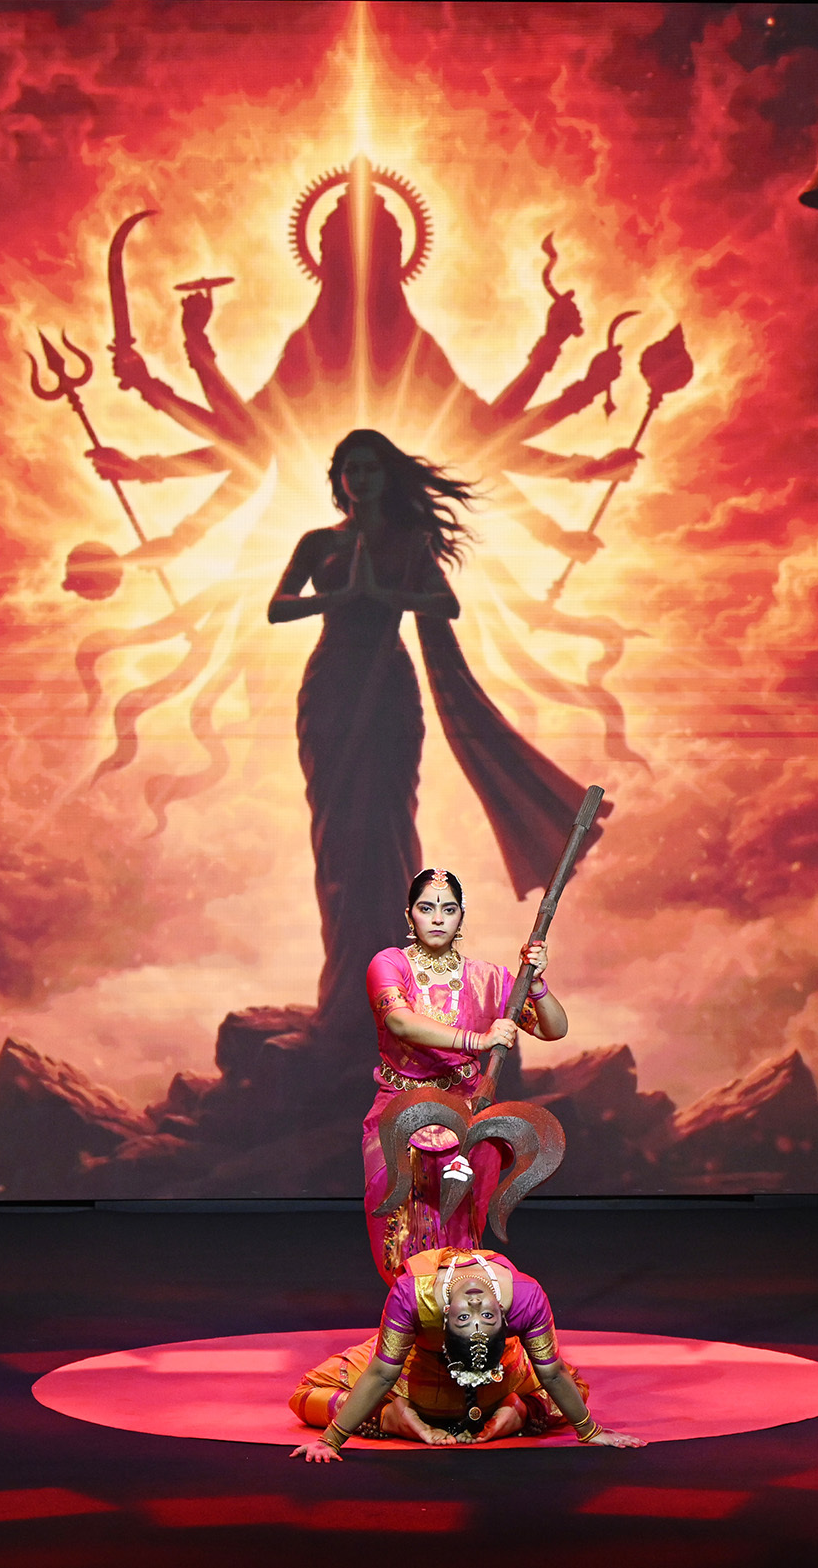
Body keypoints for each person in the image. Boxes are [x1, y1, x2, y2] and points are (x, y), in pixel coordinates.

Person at [265, 430, 598, 1073]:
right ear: (338, 478)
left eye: (370, 467)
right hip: (331, 688)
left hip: (387, 689)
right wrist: (339, 599)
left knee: (385, 834)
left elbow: (445, 603)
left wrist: (382, 597)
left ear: (386, 477)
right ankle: (344, 1003)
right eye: (349, 468)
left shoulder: (410, 544)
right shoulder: (320, 543)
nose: (360, 478)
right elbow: (278, 607)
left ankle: (399, 993)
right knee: (337, 839)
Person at [355, 867, 566, 1279]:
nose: (437, 919)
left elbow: (552, 1029)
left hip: (466, 1115)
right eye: (426, 908)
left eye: (448, 910)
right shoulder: (389, 964)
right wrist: (478, 1040)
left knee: (460, 1235)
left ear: (461, 917)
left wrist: (536, 984)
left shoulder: (488, 978)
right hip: (399, 1115)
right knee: (398, 1224)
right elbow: (400, 1022)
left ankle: (453, 1321)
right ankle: (412, 1314)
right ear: (409, 915)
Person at [288, 1247, 642, 1459]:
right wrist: (586, 1427)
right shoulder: (525, 1294)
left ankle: (388, 1418)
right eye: (472, 1316)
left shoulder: (413, 1293)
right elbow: (552, 1374)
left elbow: (382, 1373)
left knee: (305, 1396)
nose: (475, 1304)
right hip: (499, 1385)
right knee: (574, 1387)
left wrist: (331, 1438)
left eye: (482, 1316)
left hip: (420, 1382)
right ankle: (520, 1413)